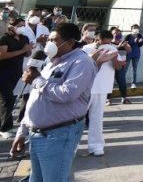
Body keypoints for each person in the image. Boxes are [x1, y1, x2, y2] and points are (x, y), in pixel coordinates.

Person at [11, 23, 97, 182]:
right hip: (37, 134)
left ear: (70, 42)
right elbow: (35, 99)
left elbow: (68, 94)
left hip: (58, 135)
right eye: (49, 39)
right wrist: (22, 131)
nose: (50, 44)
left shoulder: (81, 62)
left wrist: (36, 80)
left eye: (55, 40)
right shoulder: (51, 61)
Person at [82, 30, 121, 156]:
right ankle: (72, 146)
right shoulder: (86, 49)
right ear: (97, 40)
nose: (107, 45)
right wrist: (98, 55)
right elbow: (84, 65)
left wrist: (114, 58)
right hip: (87, 88)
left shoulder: (113, 49)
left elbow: (119, 67)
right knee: (77, 118)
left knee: (97, 118)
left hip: (102, 88)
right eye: (104, 42)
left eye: (109, 42)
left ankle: (96, 146)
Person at [0, 18, 31, 138]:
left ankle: (4, 124)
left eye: (24, 25)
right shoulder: (5, 38)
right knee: (8, 99)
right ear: (12, 26)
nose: (22, 27)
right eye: (19, 25)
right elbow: (2, 55)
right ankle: (5, 128)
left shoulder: (24, 38)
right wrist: (22, 50)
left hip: (16, 72)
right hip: (3, 71)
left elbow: (27, 53)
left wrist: (28, 50)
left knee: (6, 100)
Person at [111, 27, 132, 105]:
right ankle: (108, 99)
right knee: (109, 83)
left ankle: (124, 98)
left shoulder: (123, 42)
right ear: (112, 34)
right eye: (116, 33)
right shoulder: (109, 43)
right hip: (110, 66)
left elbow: (129, 50)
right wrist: (118, 46)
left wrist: (125, 45)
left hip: (121, 66)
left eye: (119, 33)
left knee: (122, 82)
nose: (118, 35)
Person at [124, 24, 143, 89]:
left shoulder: (140, 35)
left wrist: (138, 42)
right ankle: (122, 82)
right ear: (131, 29)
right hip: (128, 54)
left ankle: (133, 83)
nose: (136, 29)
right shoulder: (128, 36)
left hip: (136, 54)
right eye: (134, 28)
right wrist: (134, 41)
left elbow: (140, 45)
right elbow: (125, 44)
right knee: (125, 68)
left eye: (137, 28)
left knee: (134, 69)